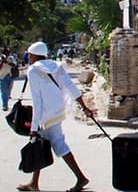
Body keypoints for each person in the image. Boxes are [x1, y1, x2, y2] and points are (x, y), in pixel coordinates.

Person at [17, 41, 94, 192]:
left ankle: (80, 177)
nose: (29, 58)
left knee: (54, 144)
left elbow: (37, 101)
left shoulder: (33, 71)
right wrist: (84, 107)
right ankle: (34, 183)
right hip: (58, 111)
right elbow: (71, 87)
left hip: (45, 115)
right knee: (39, 143)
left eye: (30, 55)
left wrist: (33, 127)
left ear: (33, 55)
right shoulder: (57, 66)